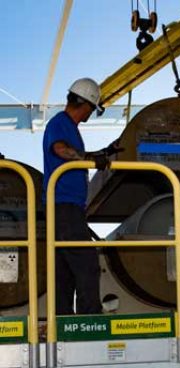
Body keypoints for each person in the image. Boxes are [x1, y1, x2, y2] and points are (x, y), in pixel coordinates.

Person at [42, 77, 123, 315]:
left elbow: (75, 152)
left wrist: (101, 153)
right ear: (86, 104)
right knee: (87, 264)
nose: (90, 114)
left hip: (63, 208)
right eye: (92, 109)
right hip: (65, 207)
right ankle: (90, 320)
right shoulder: (60, 123)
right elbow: (59, 149)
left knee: (64, 270)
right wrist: (89, 160)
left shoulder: (68, 128)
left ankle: (64, 321)